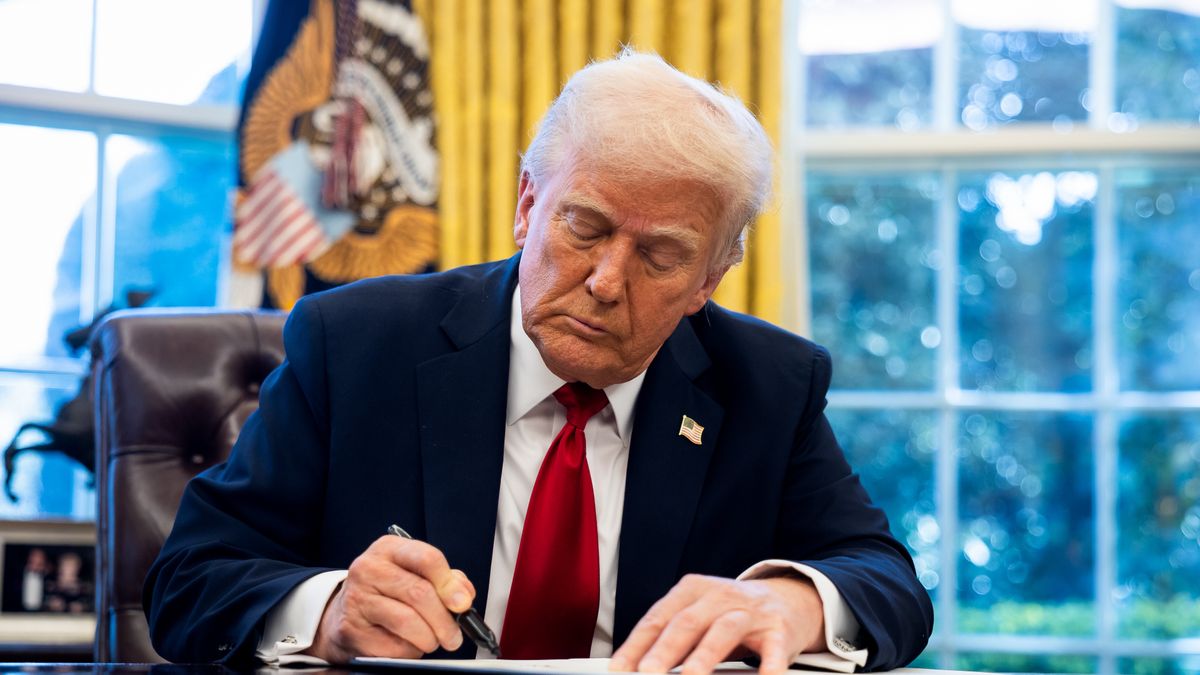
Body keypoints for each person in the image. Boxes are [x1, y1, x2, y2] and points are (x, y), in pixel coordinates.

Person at [145, 50, 933, 673]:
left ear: (709, 280)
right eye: (584, 227)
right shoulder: (357, 343)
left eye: (661, 255)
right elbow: (189, 578)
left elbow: (886, 578)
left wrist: (793, 602)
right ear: (527, 206)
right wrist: (330, 612)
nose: (606, 280)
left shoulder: (769, 383)